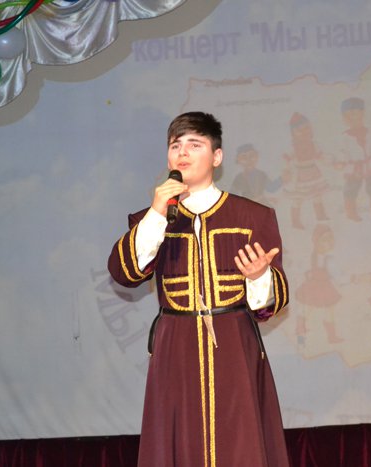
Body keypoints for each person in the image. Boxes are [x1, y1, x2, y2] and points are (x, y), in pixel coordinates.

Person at [107, 112, 290, 467]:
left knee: (240, 442)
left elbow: (270, 304)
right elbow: (124, 272)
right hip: (176, 345)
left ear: (216, 157)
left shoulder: (252, 217)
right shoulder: (150, 219)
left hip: (234, 343)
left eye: (194, 144)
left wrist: (258, 277)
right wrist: (157, 212)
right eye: (175, 145)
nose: (183, 153)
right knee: (178, 441)